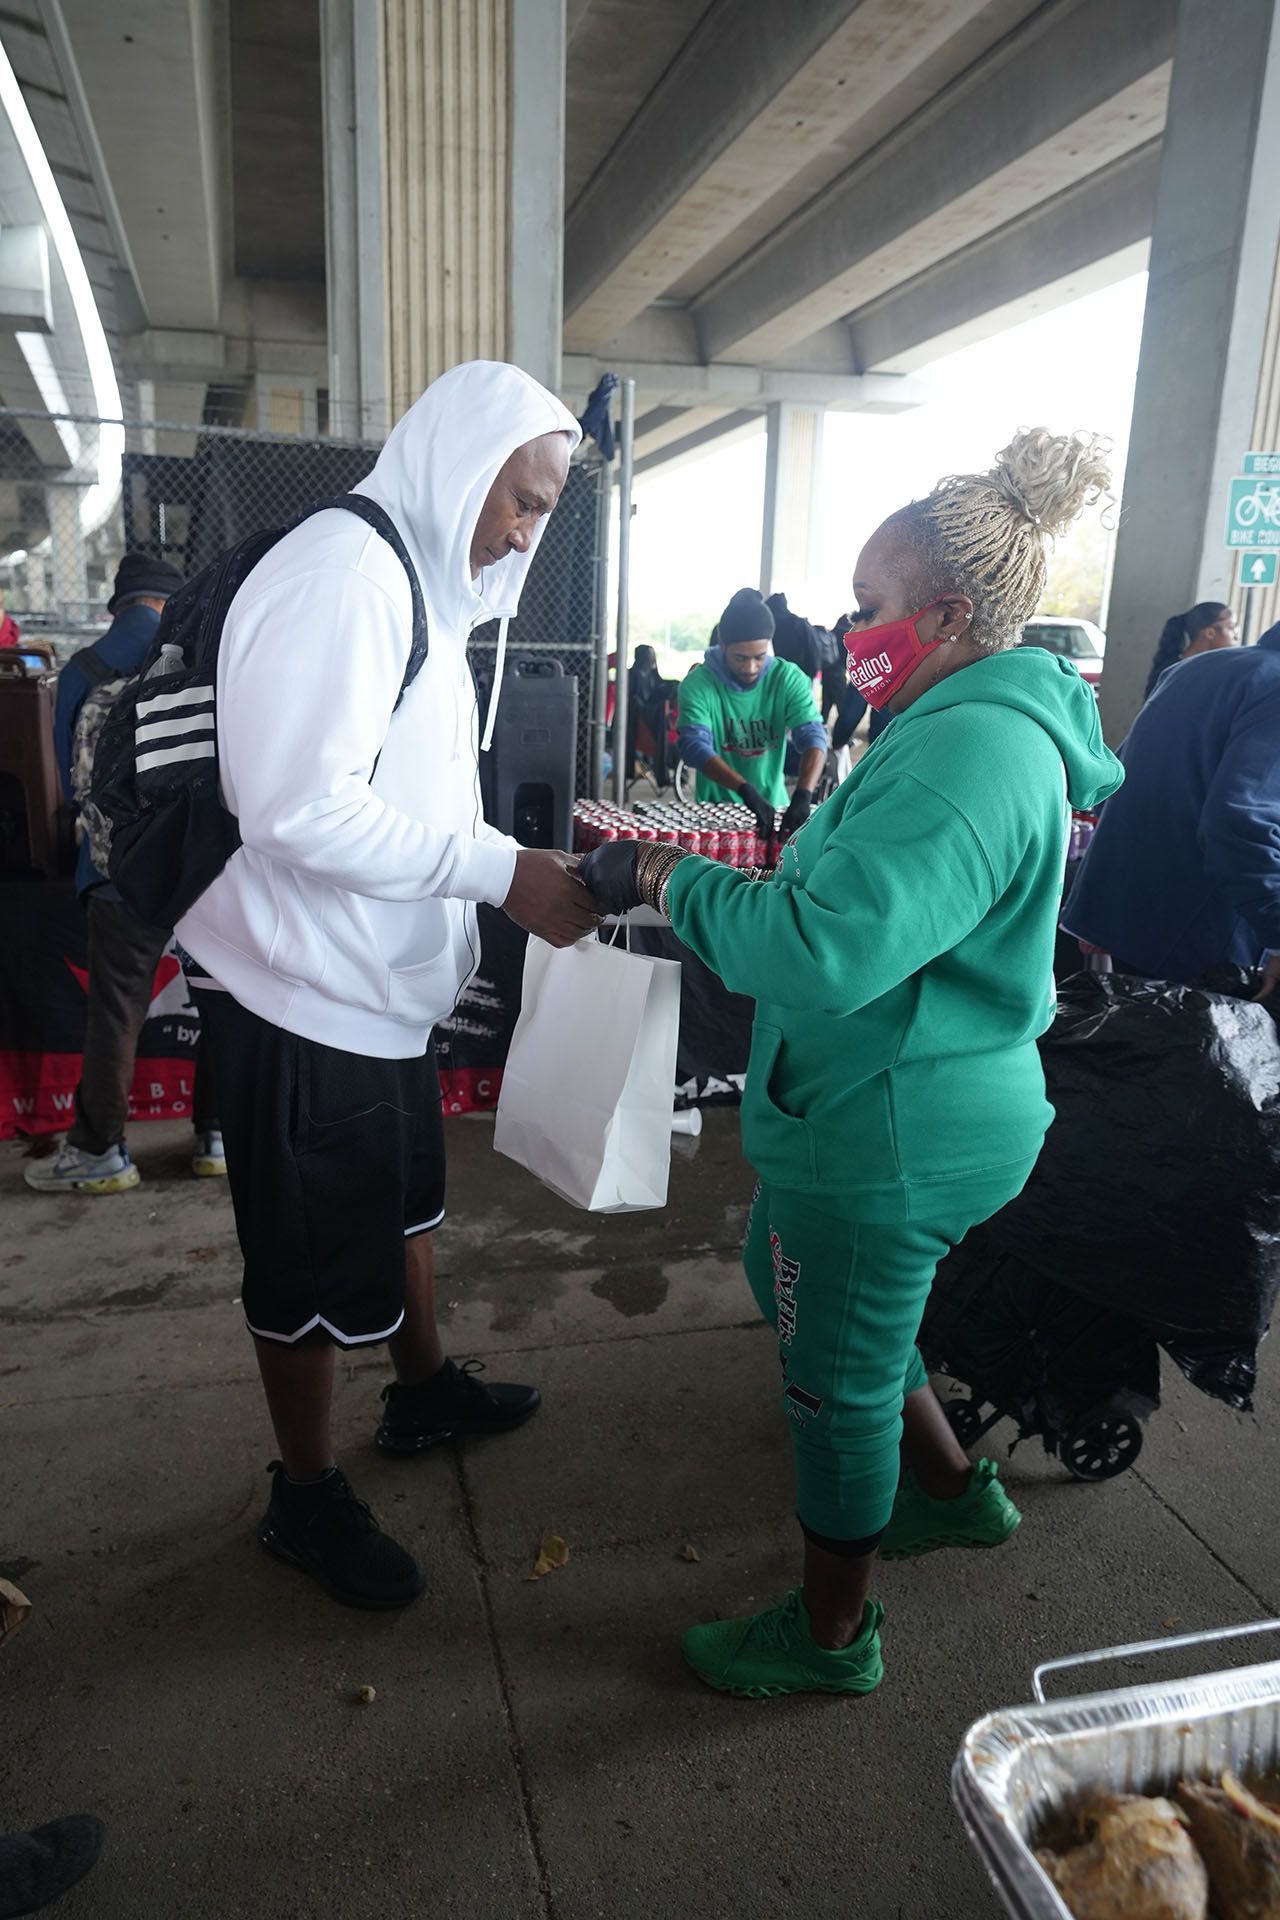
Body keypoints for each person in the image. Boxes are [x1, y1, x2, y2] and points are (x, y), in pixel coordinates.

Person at [583, 429, 1121, 1700]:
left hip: (890, 1126)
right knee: (799, 1294)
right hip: (882, 1095)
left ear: (944, 612)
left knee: (831, 1383)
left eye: (867, 608)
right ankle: (945, 1489)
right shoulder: (936, 722)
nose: (843, 631)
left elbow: (825, 950)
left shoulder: (968, 755)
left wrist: (661, 873)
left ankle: (829, 1638)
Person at [176, 361, 602, 1611]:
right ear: (453, 462)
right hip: (301, 1000)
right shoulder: (346, 574)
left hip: (375, 994)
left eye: (539, 511)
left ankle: (418, 1394)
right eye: (515, 500)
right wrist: (494, 872)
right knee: (307, 1264)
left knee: (403, 1206)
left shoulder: (418, 584)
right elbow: (294, 806)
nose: (522, 531)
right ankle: (302, 1496)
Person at [25, 553, 223, 1196]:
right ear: (172, 601)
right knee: (223, 1003)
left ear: (119, 605)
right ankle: (215, 1138)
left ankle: (101, 1152)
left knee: (116, 1013)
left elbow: (63, 771)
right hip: (202, 870)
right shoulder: (203, 653)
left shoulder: (83, 668)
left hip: (115, 873)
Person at [1065, 620, 1280, 993]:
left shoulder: (1200, 668)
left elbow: (1118, 775)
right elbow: (1241, 824)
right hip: (1200, 938)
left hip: (1122, 915)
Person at [677, 587, 828, 840]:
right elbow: (694, 746)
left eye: (759, 657)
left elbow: (813, 736)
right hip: (715, 815)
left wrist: (803, 794)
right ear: (722, 644)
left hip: (775, 807)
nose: (750, 667)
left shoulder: (787, 678)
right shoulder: (698, 684)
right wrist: (745, 790)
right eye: (740, 658)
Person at [1144, 601, 1238, 698]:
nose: (1236, 635)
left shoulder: (1219, 669)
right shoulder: (1174, 673)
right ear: (1210, 633)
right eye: (1231, 628)